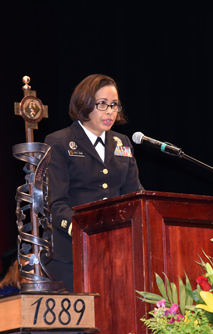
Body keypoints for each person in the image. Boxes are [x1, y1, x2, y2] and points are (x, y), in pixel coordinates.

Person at [44, 74, 144, 291]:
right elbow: (57, 204)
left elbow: (134, 196)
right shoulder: (59, 141)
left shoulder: (122, 142)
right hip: (71, 254)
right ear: (85, 103)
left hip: (117, 252)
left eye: (114, 105)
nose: (110, 111)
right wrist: (86, 231)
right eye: (102, 104)